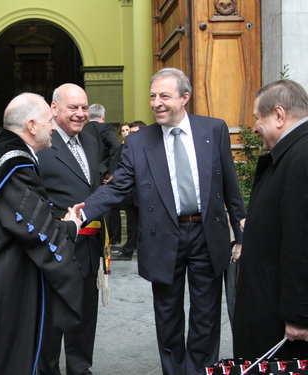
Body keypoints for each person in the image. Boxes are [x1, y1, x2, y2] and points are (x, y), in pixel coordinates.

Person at [80, 67, 246, 375]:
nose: (156, 103)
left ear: (185, 98)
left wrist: (240, 228)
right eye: (153, 96)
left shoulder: (214, 130)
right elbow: (118, 186)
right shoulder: (139, 142)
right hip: (162, 236)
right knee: (168, 315)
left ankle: (201, 370)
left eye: (164, 96)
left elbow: (229, 186)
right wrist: (83, 211)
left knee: (206, 315)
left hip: (206, 234)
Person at [0, 93, 85, 375]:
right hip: (4, 284)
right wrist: (71, 227)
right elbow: (37, 230)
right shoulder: (16, 165)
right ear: (31, 125)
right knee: (7, 359)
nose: (54, 127)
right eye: (50, 121)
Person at [233, 79, 308, 359]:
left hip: (281, 317)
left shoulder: (301, 158)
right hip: (270, 303)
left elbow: (301, 241)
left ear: (278, 115)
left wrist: (299, 315)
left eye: (257, 118)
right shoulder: (293, 153)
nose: (253, 128)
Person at [37, 83, 103, 375]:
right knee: (52, 316)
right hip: (57, 245)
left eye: (84, 108)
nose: (80, 114)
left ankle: (80, 367)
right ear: (54, 109)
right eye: (72, 108)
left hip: (89, 245)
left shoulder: (90, 140)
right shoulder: (42, 143)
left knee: (85, 312)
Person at [112, 120, 147, 261]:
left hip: (143, 194)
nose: (130, 136)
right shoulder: (128, 148)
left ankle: (131, 250)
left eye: (133, 133)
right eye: (129, 133)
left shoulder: (147, 149)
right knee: (132, 224)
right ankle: (129, 250)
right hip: (131, 194)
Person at [82, 103, 121, 184]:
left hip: (84, 175)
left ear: (88, 116)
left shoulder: (81, 129)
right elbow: (117, 146)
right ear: (103, 117)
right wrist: (111, 171)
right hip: (102, 176)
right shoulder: (105, 128)